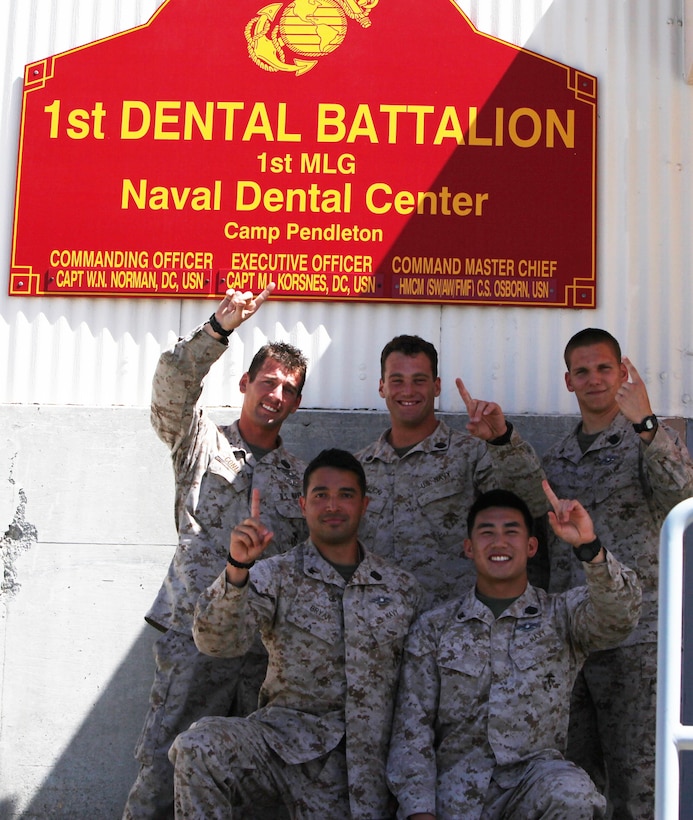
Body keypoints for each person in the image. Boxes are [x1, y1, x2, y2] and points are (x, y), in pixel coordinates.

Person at [124, 284, 309, 819]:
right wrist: (218, 329)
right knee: (163, 773)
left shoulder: (302, 480)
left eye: (289, 389)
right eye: (268, 382)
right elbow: (172, 389)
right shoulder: (202, 442)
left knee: (250, 787)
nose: (276, 394)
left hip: (262, 655)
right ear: (245, 382)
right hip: (192, 640)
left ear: (296, 402)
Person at [169, 449, 424, 819]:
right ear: (303, 505)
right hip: (282, 749)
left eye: (346, 495)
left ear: (364, 505)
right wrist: (238, 567)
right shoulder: (275, 575)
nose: (332, 505)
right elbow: (215, 641)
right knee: (199, 745)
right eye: (321, 495)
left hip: (363, 770)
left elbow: (419, 698)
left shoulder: (403, 590)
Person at [386, 485, 642, 820]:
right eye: (486, 533)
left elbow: (620, 616)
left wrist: (588, 547)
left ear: (531, 546)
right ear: (468, 547)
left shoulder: (561, 615)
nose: (499, 543)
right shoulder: (434, 628)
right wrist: (420, 812)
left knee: (573, 795)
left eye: (511, 532)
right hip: (457, 791)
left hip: (535, 784)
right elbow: (412, 729)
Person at [541, 327, 693, 819]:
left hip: (637, 641)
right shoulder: (556, 459)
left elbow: (682, 499)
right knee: (577, 782)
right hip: (575, 642)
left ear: (623, 372)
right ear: (568, 381)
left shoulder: (645, 441)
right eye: (582, 371)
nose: (594, 379)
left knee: (640, 786)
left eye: (604, 368)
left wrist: (648, 424)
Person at [356, 334, 548, 607]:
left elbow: (534, 504)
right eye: (397, 380)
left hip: (453, 632)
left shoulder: (473, 453)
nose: (408, 391)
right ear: (381, 387)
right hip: (379, 628)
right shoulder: (359, 468)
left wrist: (502, 440)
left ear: (436, 387)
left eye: (419, 380)